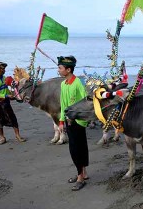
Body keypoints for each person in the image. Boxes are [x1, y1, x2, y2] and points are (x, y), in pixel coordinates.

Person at [57, 56, 89, 191]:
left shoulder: (78, 83)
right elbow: (63, 104)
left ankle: (81, 177)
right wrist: (61, 121)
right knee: (74, 148)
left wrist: (78, 119)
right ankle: (82, 173)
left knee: (78, 149)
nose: (58, 70)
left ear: (68, 69)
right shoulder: (63, 84)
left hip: (78, 122)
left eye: (60, 68)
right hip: (68, 122)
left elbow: (84, 102)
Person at [0, 61, 26, 145]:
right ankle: (2, 137)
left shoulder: (4, 78)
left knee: (12, 118)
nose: (4, 70)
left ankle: (17, 135)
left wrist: (13, 95)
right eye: (3, 69)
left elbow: (7, 89)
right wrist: (7, 96)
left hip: (6, 102)